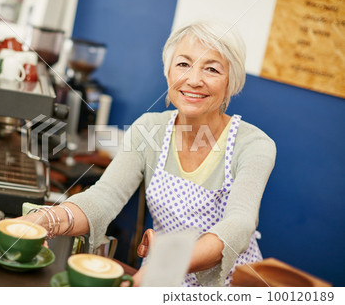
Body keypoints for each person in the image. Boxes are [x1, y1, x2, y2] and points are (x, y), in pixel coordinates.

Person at [19, 20, 276, 287]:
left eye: (211, 68)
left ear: (231, 81)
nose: (194, 79)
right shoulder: (148, 129)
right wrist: (47, 219)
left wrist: (169, 262)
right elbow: (105, 196)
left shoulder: (253, 145)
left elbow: (240, 223)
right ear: (168, 72)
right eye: (183, 64)